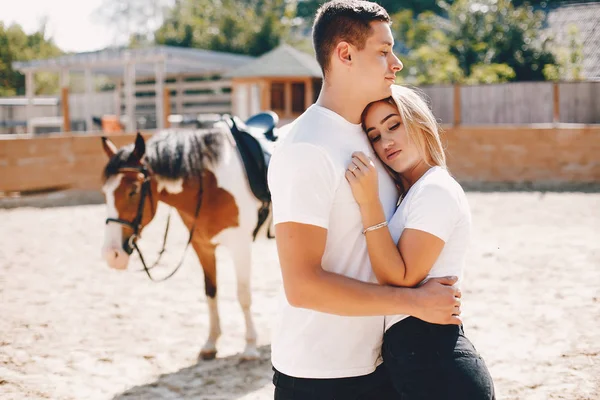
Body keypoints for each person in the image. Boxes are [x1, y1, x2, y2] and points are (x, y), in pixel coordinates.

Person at [267, 1, 462, 399]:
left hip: (380, 363)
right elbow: (302, 286)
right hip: (321, 375)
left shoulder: (369, 135)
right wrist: (416, 303)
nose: (397, 63)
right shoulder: (306, 148)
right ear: (345, 54)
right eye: (383, 51)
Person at [345, 84, 496, 399]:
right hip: (418, 365)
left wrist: (369, 202)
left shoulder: (435, 189)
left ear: (418, 120)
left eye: (393, 125)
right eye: (374, 135)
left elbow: (401, 277)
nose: (385, 141)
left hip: (440, 369)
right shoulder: (411, 195)